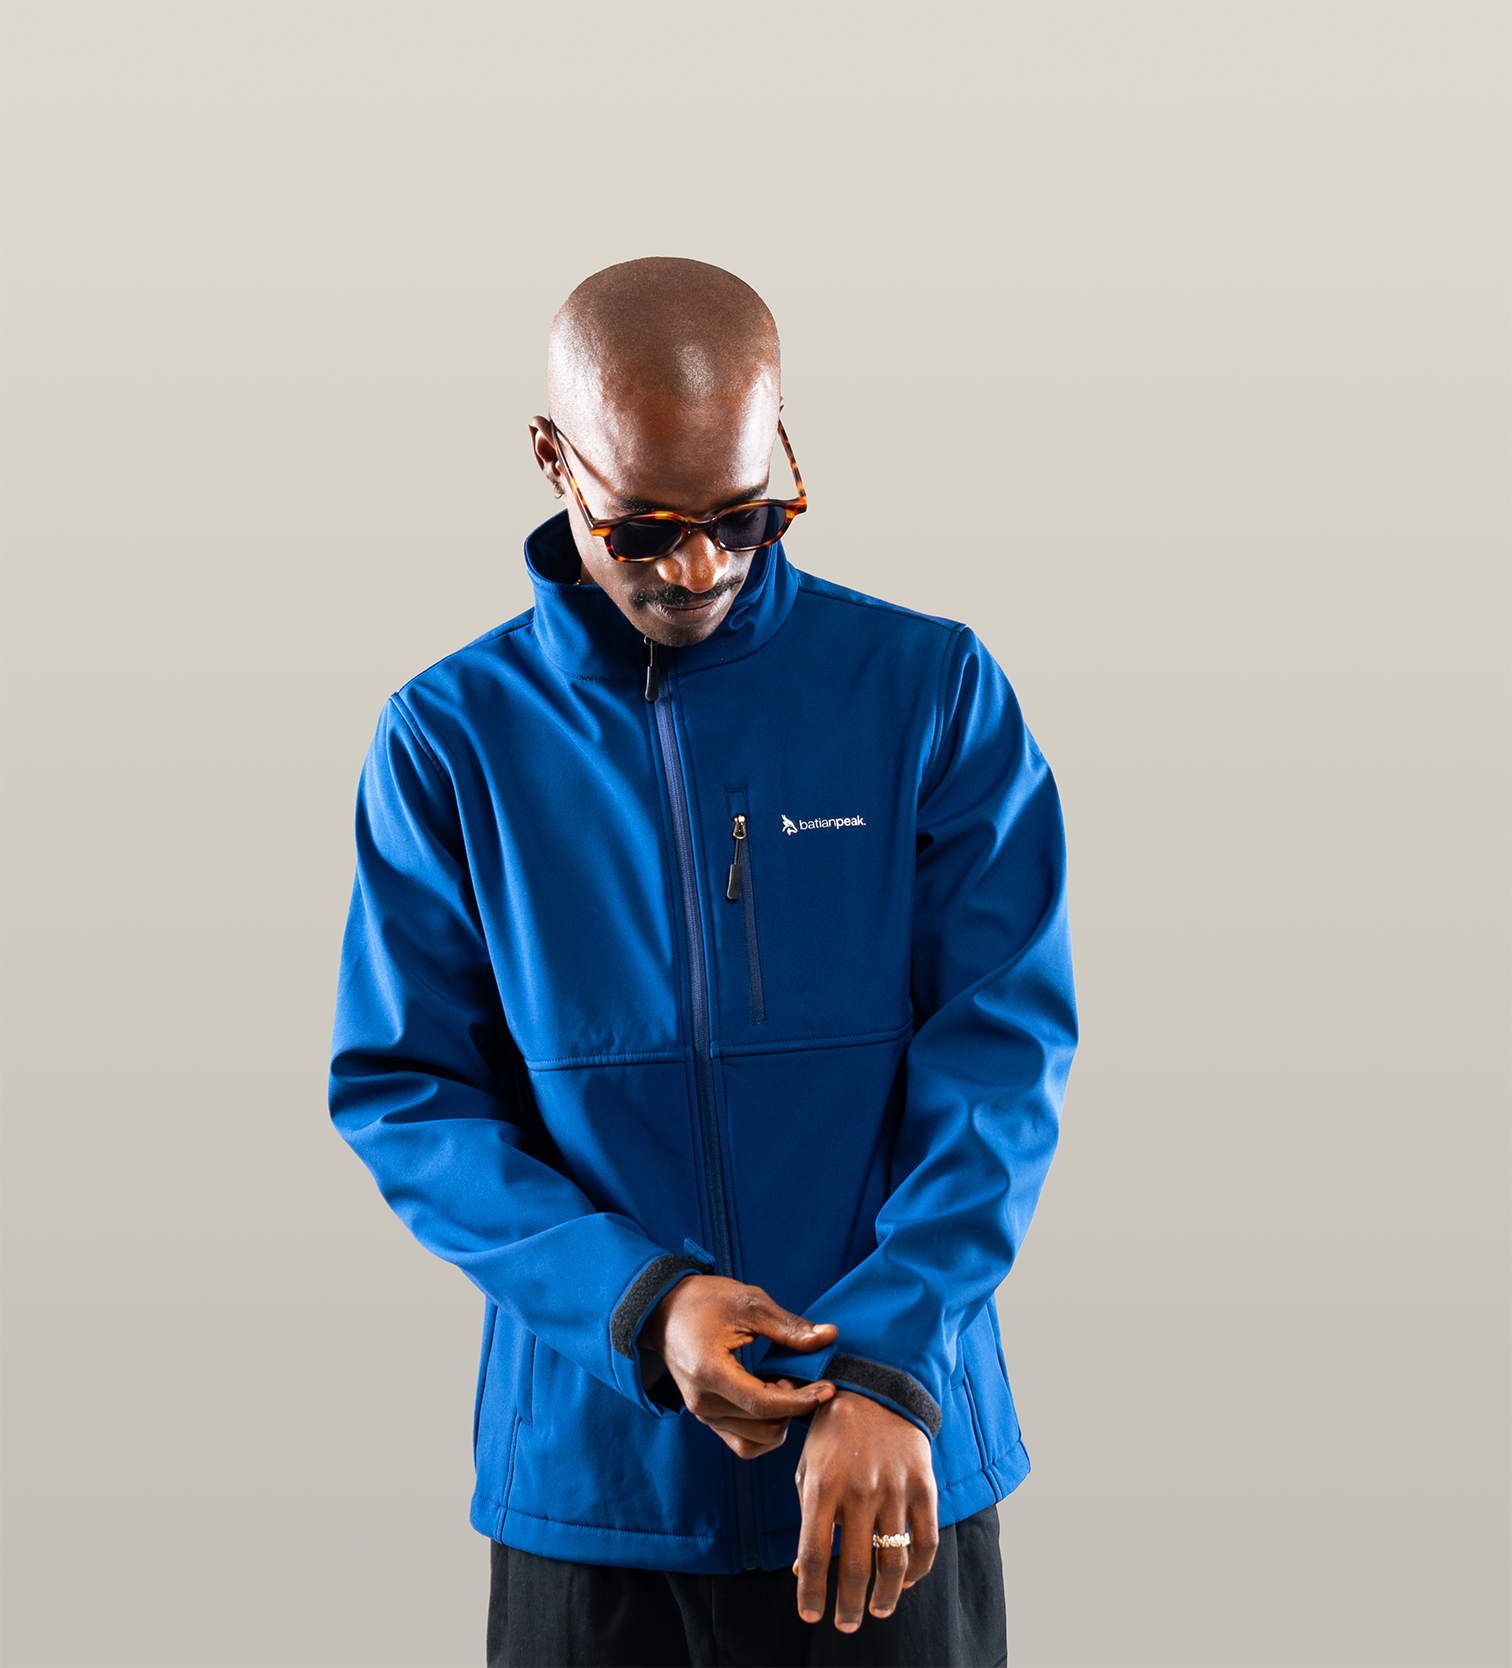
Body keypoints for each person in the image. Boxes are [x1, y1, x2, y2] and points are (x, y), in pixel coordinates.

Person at [330, 256, 1077, 1666]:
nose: (700, 569)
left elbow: (1003, 1056)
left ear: (780, 446)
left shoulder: (928, 690)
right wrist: (646, 1306)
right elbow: (408, 1095)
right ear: (552, 458)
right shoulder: (450, 739)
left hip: (889, 1468)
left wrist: (883, 1362)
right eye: (648, 527)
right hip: (599, 1493)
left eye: (745, 516)